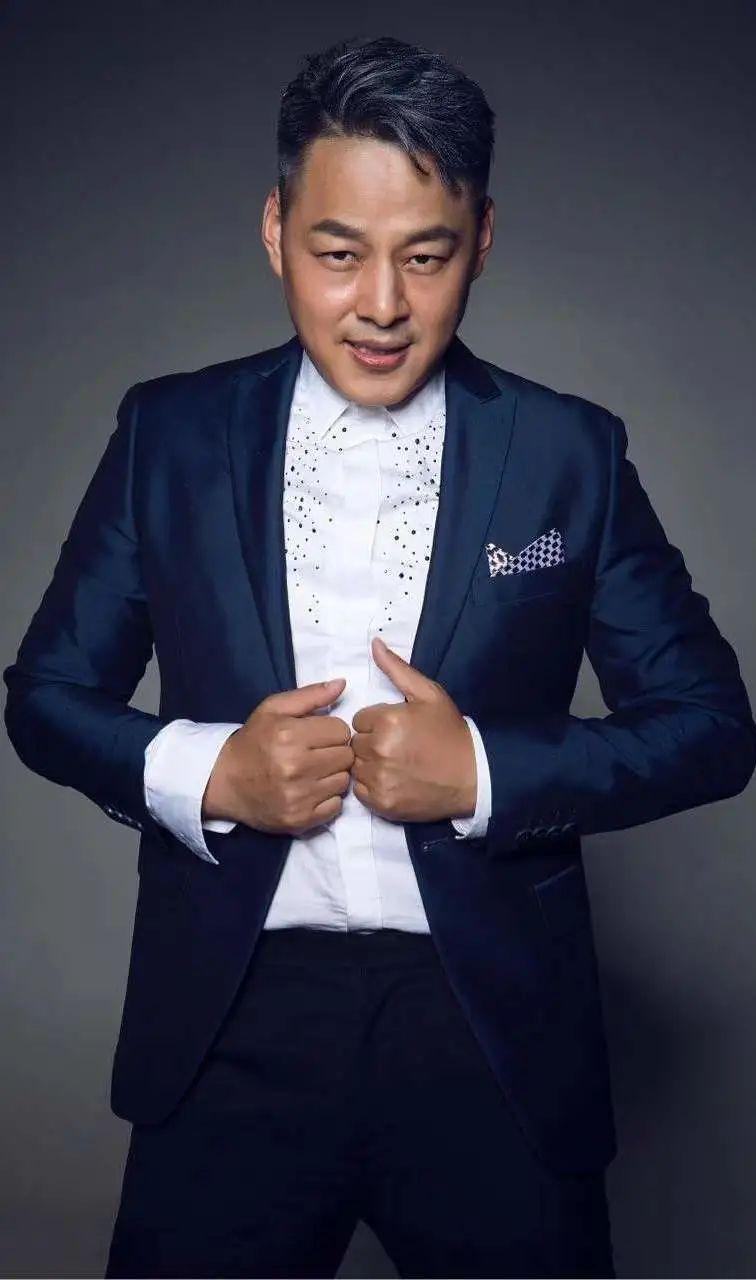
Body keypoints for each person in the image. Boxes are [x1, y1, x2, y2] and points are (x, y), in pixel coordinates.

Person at [4, 32, 755, 1280]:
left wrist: (483, 771)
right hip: (229, 1022)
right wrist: (210, 773)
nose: (383, 306)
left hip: (492, 1031)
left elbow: (714, 725)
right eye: (338, 252)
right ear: (274, 229)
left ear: (484, 239)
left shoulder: (570, 452)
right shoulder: (167, 433)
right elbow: (45, 697)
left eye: (427, 254)